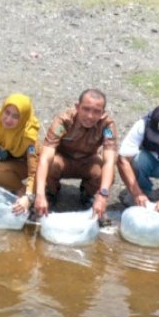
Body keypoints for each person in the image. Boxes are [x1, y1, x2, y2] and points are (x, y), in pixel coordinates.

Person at [34, 89, 118, 221]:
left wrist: (103, 195)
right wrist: (39, 194)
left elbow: (109, 160)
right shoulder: (64, 121)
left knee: (108, 172)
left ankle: (89, 194)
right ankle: (50, 193)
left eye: (96, 111)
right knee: (50, 164)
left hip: (88, 160)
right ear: (77, 107)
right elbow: (45, 157)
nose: (90, 116)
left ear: (102, 113)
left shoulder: (107, 125)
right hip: (63, 160)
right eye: (86, 109)